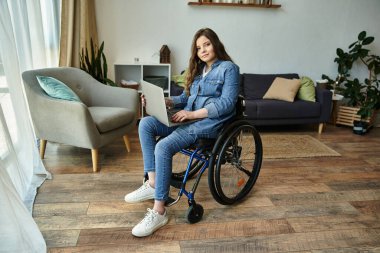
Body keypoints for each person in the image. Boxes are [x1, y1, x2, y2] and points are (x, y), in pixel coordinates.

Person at [124, 27, 240, 237]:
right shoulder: (198, 71)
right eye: (198, 48)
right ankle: (153, 183)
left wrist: (192, 115)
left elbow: (227, 103)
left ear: (215, 44)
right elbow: (187, 99)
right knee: (146, 124)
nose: (203, 50)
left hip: (207, 125)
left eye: (206, 44)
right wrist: (167, 101)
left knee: (163, 146)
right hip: (189, 119)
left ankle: (159, 211)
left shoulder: (228, 68)